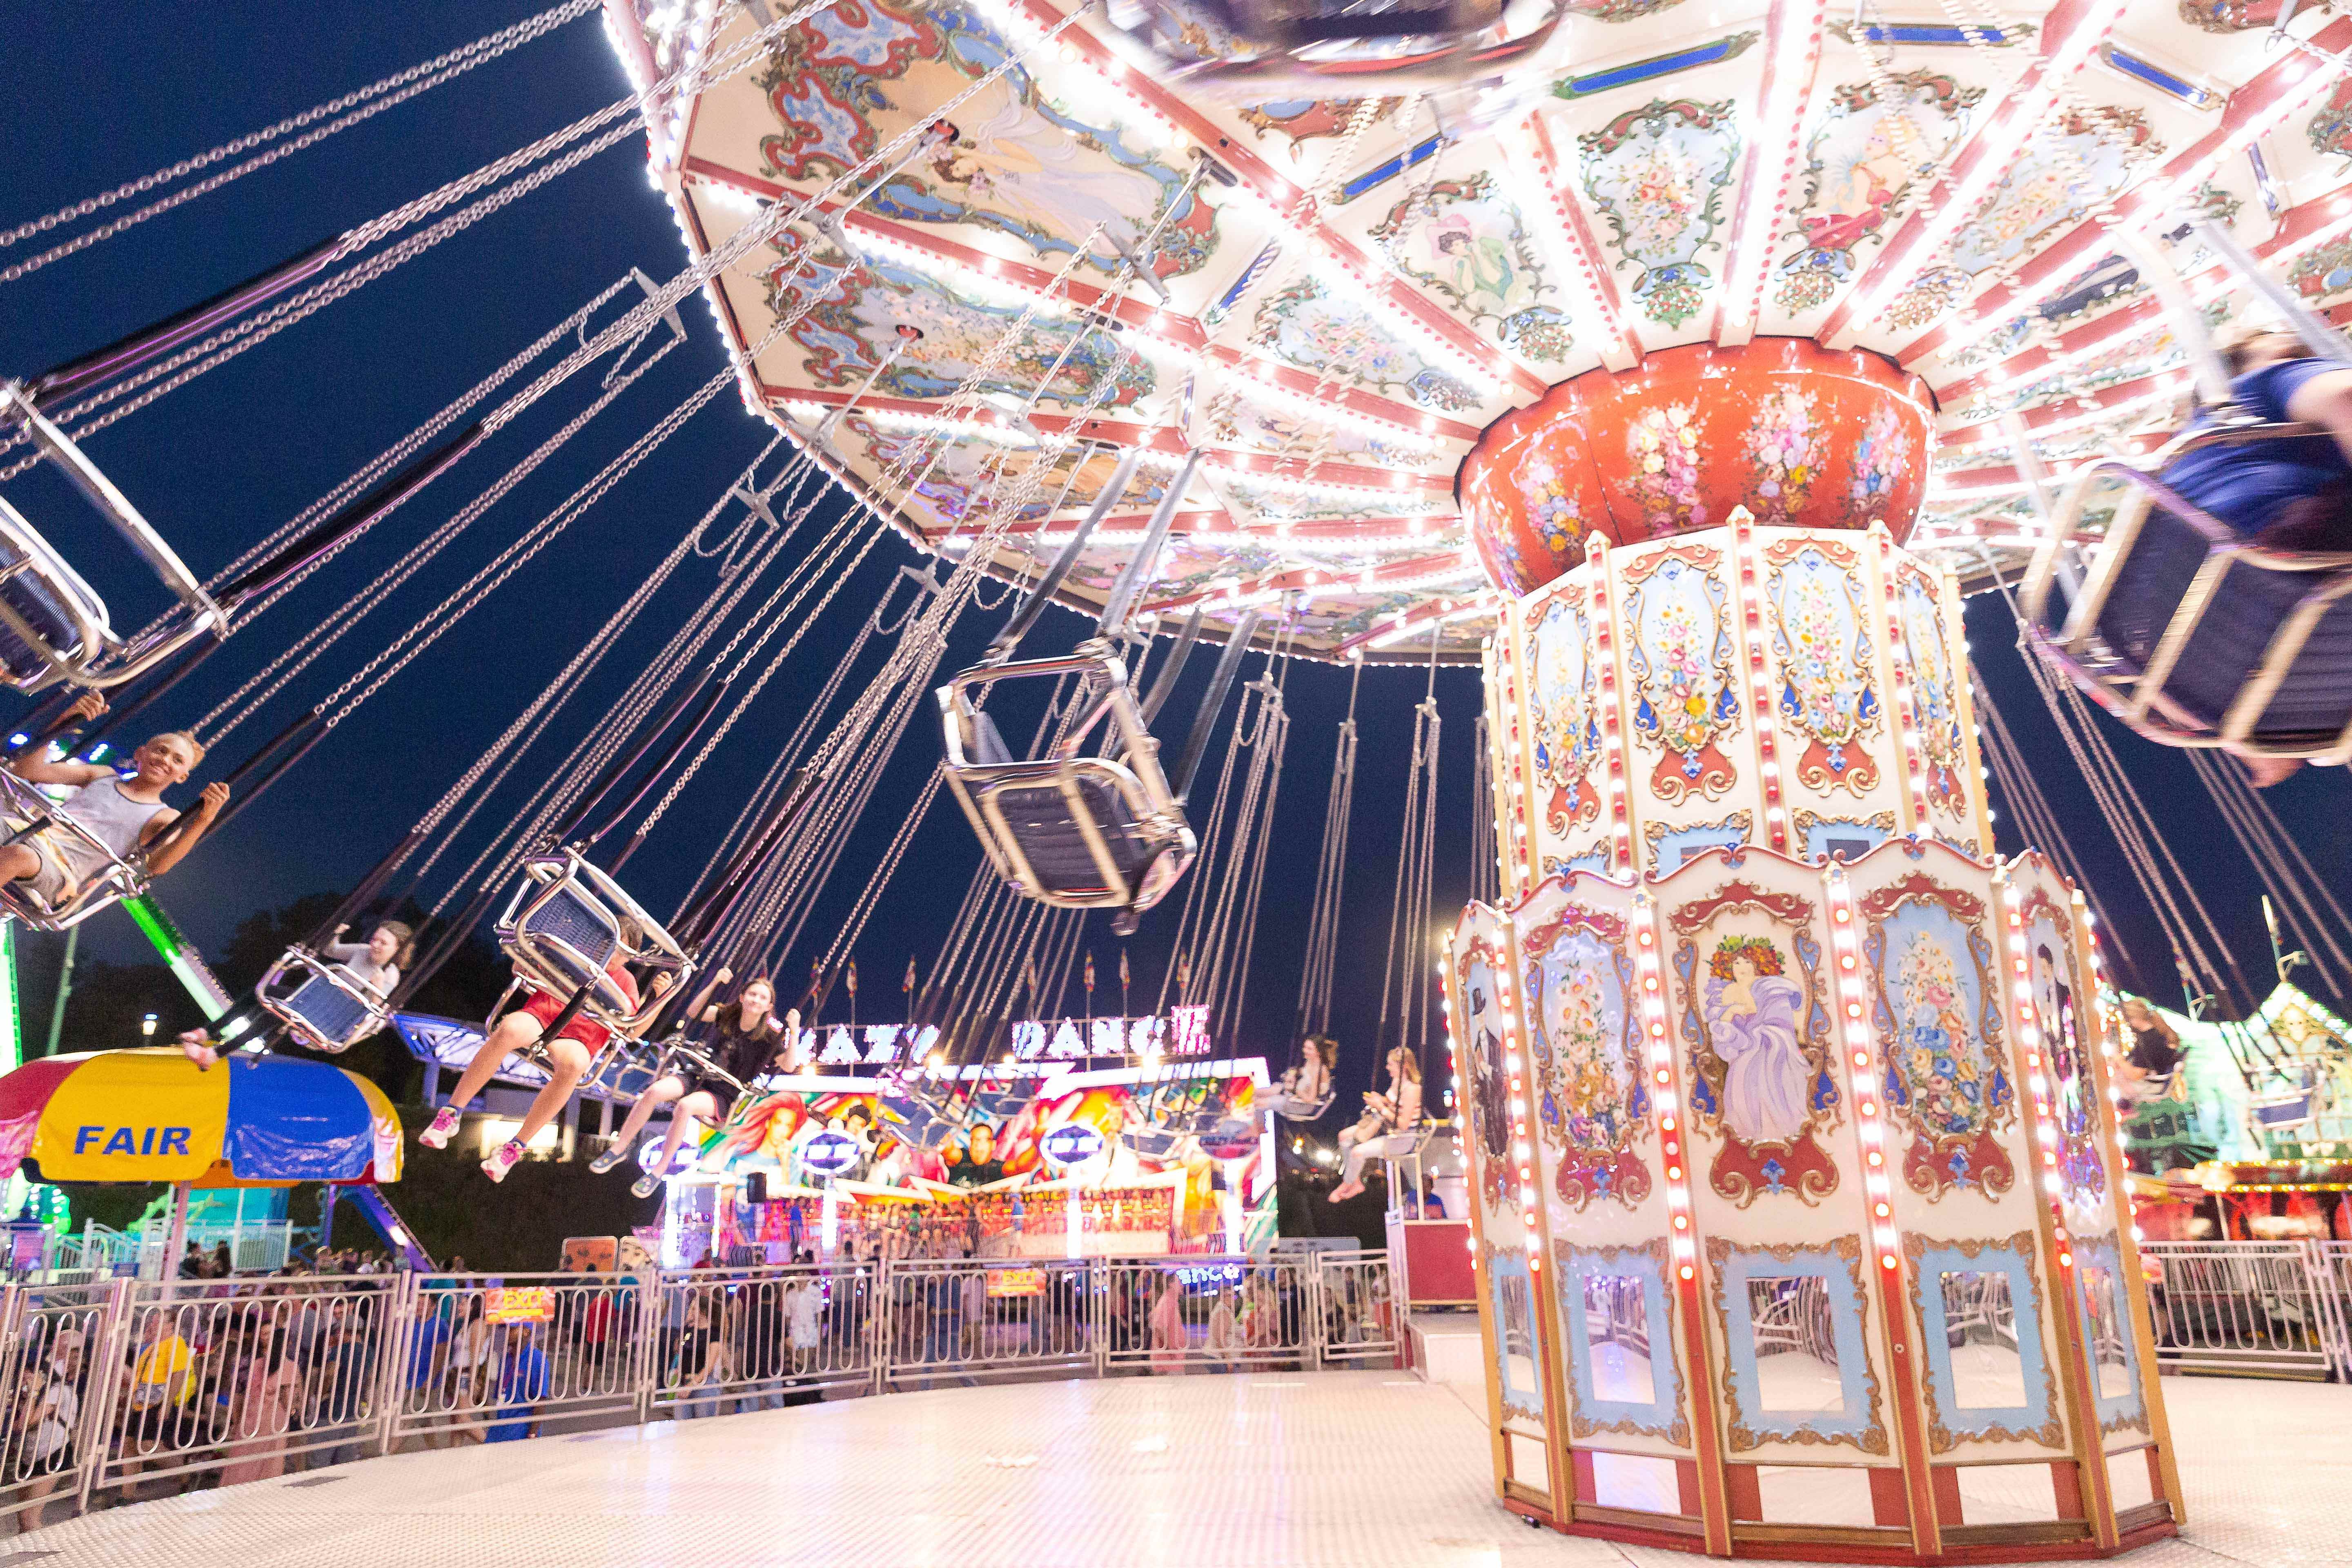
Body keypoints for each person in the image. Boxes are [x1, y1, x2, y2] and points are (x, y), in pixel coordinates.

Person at [2153, 326, 2352, 785]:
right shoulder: (2266, 383)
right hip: (2295, 574)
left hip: (2237, 666)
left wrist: (2248, 742)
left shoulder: (2178, 471)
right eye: (2292, 350)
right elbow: (2343, 394)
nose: (2303, 353)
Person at [418, 942, 674, 1182]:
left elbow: (631, 1031)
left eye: (623, 953)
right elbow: (523, 969)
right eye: (614, 946)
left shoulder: (626, 981)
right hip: (541, 1017)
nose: (615, 955)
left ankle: (515, 1148)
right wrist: (522, 958)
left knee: (575, 1065)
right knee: (508, 1028)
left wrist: (659, 999)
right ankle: (451, 1114)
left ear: (629, 958)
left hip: (579, 1038)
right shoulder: (575, 954)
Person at [0, 695, 229, 915]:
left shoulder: (165, 816)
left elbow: (158, 866)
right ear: (141, 753)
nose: (165, 760)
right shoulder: (102, 776)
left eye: (177, 760)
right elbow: (27, 772)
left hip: (60, 870)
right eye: (161, 750)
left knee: (19, 855)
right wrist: (66, 720)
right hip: (27, 835)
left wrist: (204, 820)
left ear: (182, 777)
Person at [590, 971, 797, 1199]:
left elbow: (788, 1066)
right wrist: (715, 981)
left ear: (769, 1006)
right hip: (697, 1076)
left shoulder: (769, 1038)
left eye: (762, 998)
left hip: (723, 1093)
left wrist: (794, 1031)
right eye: (752, 994)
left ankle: (658, 1171)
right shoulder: (726, 1015)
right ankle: (619, 1149)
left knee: (685, 1107)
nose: (755, 1000)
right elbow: (695, 1012)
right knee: (655, 1091)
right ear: (742, 997)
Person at [1330, 1047, 1423, 1201]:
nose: (1387, 1068)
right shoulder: (1396, 1082)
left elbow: (1403, 1124)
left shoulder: (1413, 1089)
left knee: (1357, 1152)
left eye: (1391, 1065)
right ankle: (1355, 1181)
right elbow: (1392, 1103)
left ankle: (1347, 1184)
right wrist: (1380, 1100)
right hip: (1387, 1128)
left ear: (1404, 1066)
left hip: (1402, 1139)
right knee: (1343, 1137)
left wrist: (1381, 1107)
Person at [13, 1328, 82, 1532]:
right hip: (30, 1451)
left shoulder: (59, 1388)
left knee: (29, 1516)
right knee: (23, 1515)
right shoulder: (42, 1375)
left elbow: (25, 1423)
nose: (73, 1355)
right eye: (70, 1349)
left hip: (52, 1452)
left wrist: (34, 1391)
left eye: (75, 1350)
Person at [218, 1325, 301, 1486]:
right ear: (289, 1344)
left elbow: (241, 1392)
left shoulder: (255, 1364)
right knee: (270, 1463)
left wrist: (237, 1419)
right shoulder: (290, 1367)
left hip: (251, 1414)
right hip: (274, 1417)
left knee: (243, 1460)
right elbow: (288, 1399)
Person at [485, 1323, 551, 1441]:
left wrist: (533, 1432)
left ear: (527, 1332)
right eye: (508, 1329)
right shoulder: (506, 1358)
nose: (508, 1333)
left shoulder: (537, 1359)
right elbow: (500, 1394)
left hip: (521, 1428)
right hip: (501, 1426)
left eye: (513, 1329)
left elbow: (540, 1402)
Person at [2116, 996, 2185, 1105]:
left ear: (2135, 1018)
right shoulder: (2152, 1032)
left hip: (2151, 1084)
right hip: (2156, 1078)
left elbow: (2136, 1075)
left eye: (2126, 1020)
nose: (2126, 1023)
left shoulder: (2149, 1042)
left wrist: (2119, 1060)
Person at [321, 918, 413, 998]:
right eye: (374, 939)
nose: (375, 945)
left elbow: (376, 1006)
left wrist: (378, 988)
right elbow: (330, 951)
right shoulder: (364, 950)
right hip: (329, 992)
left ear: (398, 949)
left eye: (383, 943)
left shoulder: (391, 974)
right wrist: (336, 934)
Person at [1261, 1036, 1334, 1120]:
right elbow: (1303, 1074)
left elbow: (1310, 1099)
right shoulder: (1310, 1062)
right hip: (1295, 1097)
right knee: (1261, 1093)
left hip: (1303, 1105)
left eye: (1309, 1049)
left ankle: (1253, 1130)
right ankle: (1257, 1128)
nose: (1305, 1051)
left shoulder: (1318, 1070)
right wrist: (1292, 1075)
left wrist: (1294, 1089)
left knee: (1259, 1103)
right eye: (1305, 1047)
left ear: (1319, 1052)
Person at [1204, 1288, 1243, 1373]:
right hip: (1219, 1358)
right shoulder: (1223, 1312)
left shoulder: (1225, 1310)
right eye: (1229, 1296)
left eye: (1233, 1296)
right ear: (1222, 1297)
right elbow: (1219, 1337)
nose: (1232, 1298)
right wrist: (1228, 1359)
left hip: (1220, 1358)